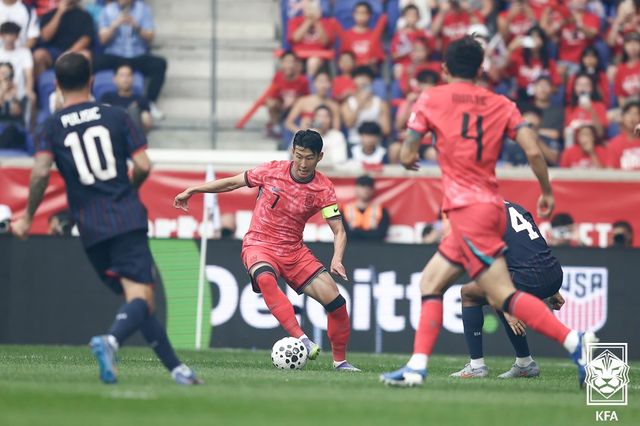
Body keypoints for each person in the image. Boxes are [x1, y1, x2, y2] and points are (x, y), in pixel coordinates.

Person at [380, 36, 596, 388]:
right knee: (431, 283)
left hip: (468, 211)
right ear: (481, 69)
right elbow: (534, 151)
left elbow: (407, 152)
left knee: (503, 296)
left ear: (444, 69)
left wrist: (408, 158)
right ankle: (416, 368)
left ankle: (576, 342)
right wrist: (546, 191)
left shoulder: (431, 98)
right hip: (491, 207)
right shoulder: (502, 103)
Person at [12, 53, 201, 386]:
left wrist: (27, 217)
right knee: (141, 296)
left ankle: (178, 370)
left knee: (138, 300)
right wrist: (128, 189)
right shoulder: (116, 116)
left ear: (56, 85)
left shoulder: (50, 126)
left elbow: (40, 171)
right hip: (124, 216)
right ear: (91, 81)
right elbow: (143, 165)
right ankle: (111, 341)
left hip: (89, 226)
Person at [173, 130, 360, 372]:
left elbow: (339, 230)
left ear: (320, 157)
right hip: (259, 244)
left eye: (309, 158)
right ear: (292, 152)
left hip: (294, 251)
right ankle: (303, 340)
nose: (303, 164)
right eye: (299, 156)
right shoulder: (271, 171)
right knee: (265, 278)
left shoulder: (323, 188)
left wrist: (337, 259)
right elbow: (232, 182)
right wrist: (194, 190)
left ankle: (340, 362)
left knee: (337, 303)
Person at [451, 200, 565, 379]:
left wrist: (506, 304)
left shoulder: (482, 215)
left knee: (469, 293)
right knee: (498, 291)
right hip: (553, 273)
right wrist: (552, 288)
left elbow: (490, 266)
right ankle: (524, 364)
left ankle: (477, 366)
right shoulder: (514, 207)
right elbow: (534, 244)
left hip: (528, 278)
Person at [96, 0, 167, 119]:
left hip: (137, 55)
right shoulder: (107, 10)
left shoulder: (143, 9)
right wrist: (115, 25)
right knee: (91, 63)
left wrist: (136, 26)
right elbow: (103, 40)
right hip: (115, 54)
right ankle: (90, 101)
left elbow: (150, 38)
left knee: (160, 64)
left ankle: (149, 103)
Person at [33, 0, 95, 78]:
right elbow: (45, 37)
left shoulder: (85, 15)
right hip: (52, 53)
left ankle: (82, 85)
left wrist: (68, 54)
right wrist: (59, 12)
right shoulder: (49, 15)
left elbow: (86, 39)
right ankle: (42, 84)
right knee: (38, 55)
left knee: (86, 55)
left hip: (74, 52)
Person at [341, 65, 390, 145]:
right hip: (354, 142)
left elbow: (386, 130)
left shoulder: (380, 103)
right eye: (359, 77)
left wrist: (369, 135)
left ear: (372, 81)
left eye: (366, 77)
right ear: (354, 80)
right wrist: (360, 105)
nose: (363, 80)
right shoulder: (347, 103)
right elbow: (348, 124)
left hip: (375, 144)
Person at [286, 0, 337, 77]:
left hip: (318, 56)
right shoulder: (294, 21)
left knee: (312, 62)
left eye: (313, 9)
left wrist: (316, 22)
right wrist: (308, 21)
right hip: (298, 56)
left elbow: (325, 42)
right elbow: (295, 38)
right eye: (309, 8)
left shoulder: (326, 22)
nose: (311, 11)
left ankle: (309, 82)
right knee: (290, 63)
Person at [265, 51, 309, 138]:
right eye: (286, 61)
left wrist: (294, 101)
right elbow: (272, 94)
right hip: (282, 105)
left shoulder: (303, 80)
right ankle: (276, 126)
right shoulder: (278, 76)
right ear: (282, 64)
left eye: (291, 61)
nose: (289, 65)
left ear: (296, 64)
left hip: (296, 108)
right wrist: (279, 102)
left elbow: (306, 99)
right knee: (271, 103)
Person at [100, 63, 152, 134]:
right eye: (122, 75)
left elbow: (147, 122)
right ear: (114, 79)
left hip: (133, 134)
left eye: (128, 75)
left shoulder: (141, 99)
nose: (125, 79)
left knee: (142, 115)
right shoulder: (107, 97)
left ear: (133, 78)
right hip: (113, 133)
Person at [284, 69, 340, 134]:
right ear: (314, 83)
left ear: (330, 84)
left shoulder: (334, 106)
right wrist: (301, 134)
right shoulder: (303, 101)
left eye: (326, 81)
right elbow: (288, 122)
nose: (323, 85)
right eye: (320, 81)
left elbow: (336, 129)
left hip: (326, 138)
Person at [338, 1, 386, 69]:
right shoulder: (347, 35)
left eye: (364, 13)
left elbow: (379, 57)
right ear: (353, 14)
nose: (361, 16)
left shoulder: (374, 35)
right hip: (352, 70)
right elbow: (343, 57)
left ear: (370, 15)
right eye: (358, 13)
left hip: (368, 70)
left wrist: (370, 62)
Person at [342, 175, 390, 241]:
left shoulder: (381, 211)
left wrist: (356, 231)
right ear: (356, 189)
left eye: (369, 186)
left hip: (373, 246)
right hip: (350, 246)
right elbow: (343, 234)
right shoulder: (345, 210)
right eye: (362, 185)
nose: (366, 189)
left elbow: (381, 235)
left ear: (373, 190)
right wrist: (370, 233)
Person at [0, 21, 34, 103]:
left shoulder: (25, 52)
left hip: (19, 95)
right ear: (1, 35)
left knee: (32, 98)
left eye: (12, 35)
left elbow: (29, 75)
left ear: (17, 36)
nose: (9, 38)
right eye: (6, 34)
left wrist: (28, 90)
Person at [608, 101, 640, 170]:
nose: (632, 117)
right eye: (629, 113)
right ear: (622, 118)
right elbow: (611, 172)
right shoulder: (614, 144)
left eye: (636, 113)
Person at [614, 33, 640, 107]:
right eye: (629, 43)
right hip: (628, 108)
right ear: (624, 47)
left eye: (636, 42)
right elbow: (620, 97)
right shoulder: (620, 69)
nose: (633, 46)